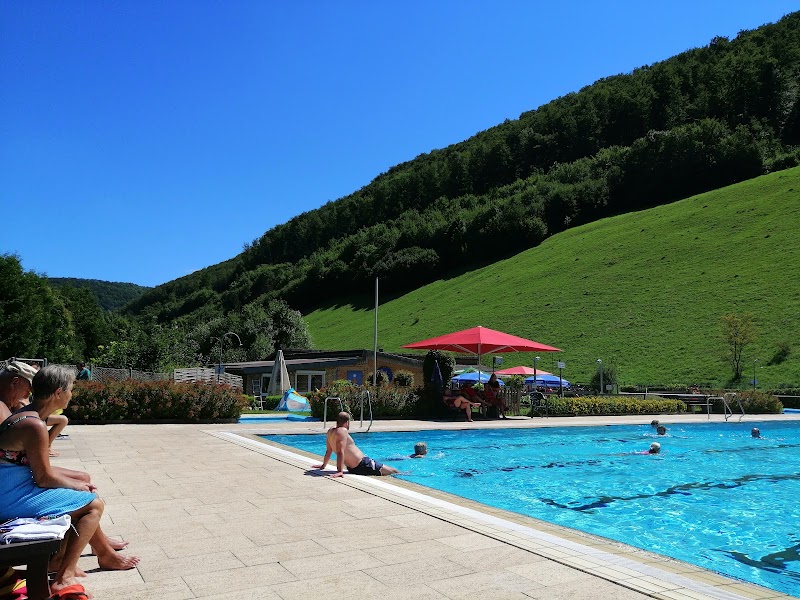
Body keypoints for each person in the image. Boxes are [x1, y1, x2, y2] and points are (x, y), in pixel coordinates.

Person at [0, 363, 137, 570]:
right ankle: (66, 573)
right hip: (9, 494)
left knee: (83, 480)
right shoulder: (33, 424)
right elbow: (43, 478)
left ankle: (70, 557)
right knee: (93, 504)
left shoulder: (29, 415)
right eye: (70, 390)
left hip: (12, 480)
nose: (71, 395)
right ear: (58, 392)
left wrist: (76, 483)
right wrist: (75, 487)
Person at [313, 412, 398, 476]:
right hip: (364, 464)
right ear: (347, 422)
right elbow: (340, 452)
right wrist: (340, 471)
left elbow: (329, 450)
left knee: (390, 472)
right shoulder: (342, 431)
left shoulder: (330, 431)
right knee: (394, 471)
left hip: (353, 468)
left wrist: (323, 466)